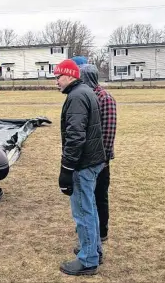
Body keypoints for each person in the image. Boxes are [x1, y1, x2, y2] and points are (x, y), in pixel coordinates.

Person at [54, 59, 106, 276]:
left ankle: (88, 260)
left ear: (69, 76)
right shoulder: (85, 91)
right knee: (90, 208)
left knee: (83, 211)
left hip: (83, 164)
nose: (56, 82)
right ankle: (94, 249)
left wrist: (66, 168)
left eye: (58, 77)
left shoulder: (76, 97)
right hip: (92, 161)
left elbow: (76, 136)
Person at [72, 59, 117, 243]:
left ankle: (101, 232)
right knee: (87, 197)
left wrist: (103, 159)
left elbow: (108, 131)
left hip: (100, 160)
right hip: (87, 159)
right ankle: (90, 230)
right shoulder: (86, 96)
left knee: (99, 195)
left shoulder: (104, 98)